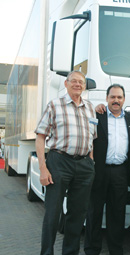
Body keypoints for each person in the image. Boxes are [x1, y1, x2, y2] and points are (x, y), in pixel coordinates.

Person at [35, 71, 97, 255]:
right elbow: (40, 137)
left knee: (77, 215)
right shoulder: (55, 105)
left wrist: (91, 162)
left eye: (81, 82)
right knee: (52, 214)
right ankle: (47, 252)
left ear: (84, 86)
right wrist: (43, 168)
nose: (78, 84)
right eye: (74, 81)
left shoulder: (90, 108)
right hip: (59, 162)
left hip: (84, 165)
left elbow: (92, 138)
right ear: (66, 83)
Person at [84, 84, 130, 255]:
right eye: (112, 97)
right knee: (94, 212)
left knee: (117, 213)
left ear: (124, 100)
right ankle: (92, 249)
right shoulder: (97, 114)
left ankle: (115, 250)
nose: (116, 100)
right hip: (99, 171)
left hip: (120, 172)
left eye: (119, 97)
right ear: (106, 98)